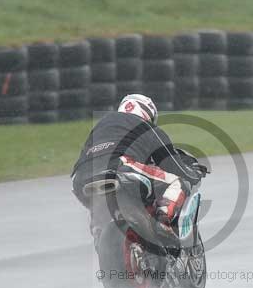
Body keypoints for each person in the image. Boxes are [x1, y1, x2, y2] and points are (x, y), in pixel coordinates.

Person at [71, 94, 202, 246]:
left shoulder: (101, 125)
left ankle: (98, 233)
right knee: (177, 182)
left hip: (81, 177)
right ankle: (163, 223)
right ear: (148, 114)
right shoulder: (146, 126)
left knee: (98, 205)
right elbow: (172, 164)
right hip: (120, 166)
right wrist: (192, 175)